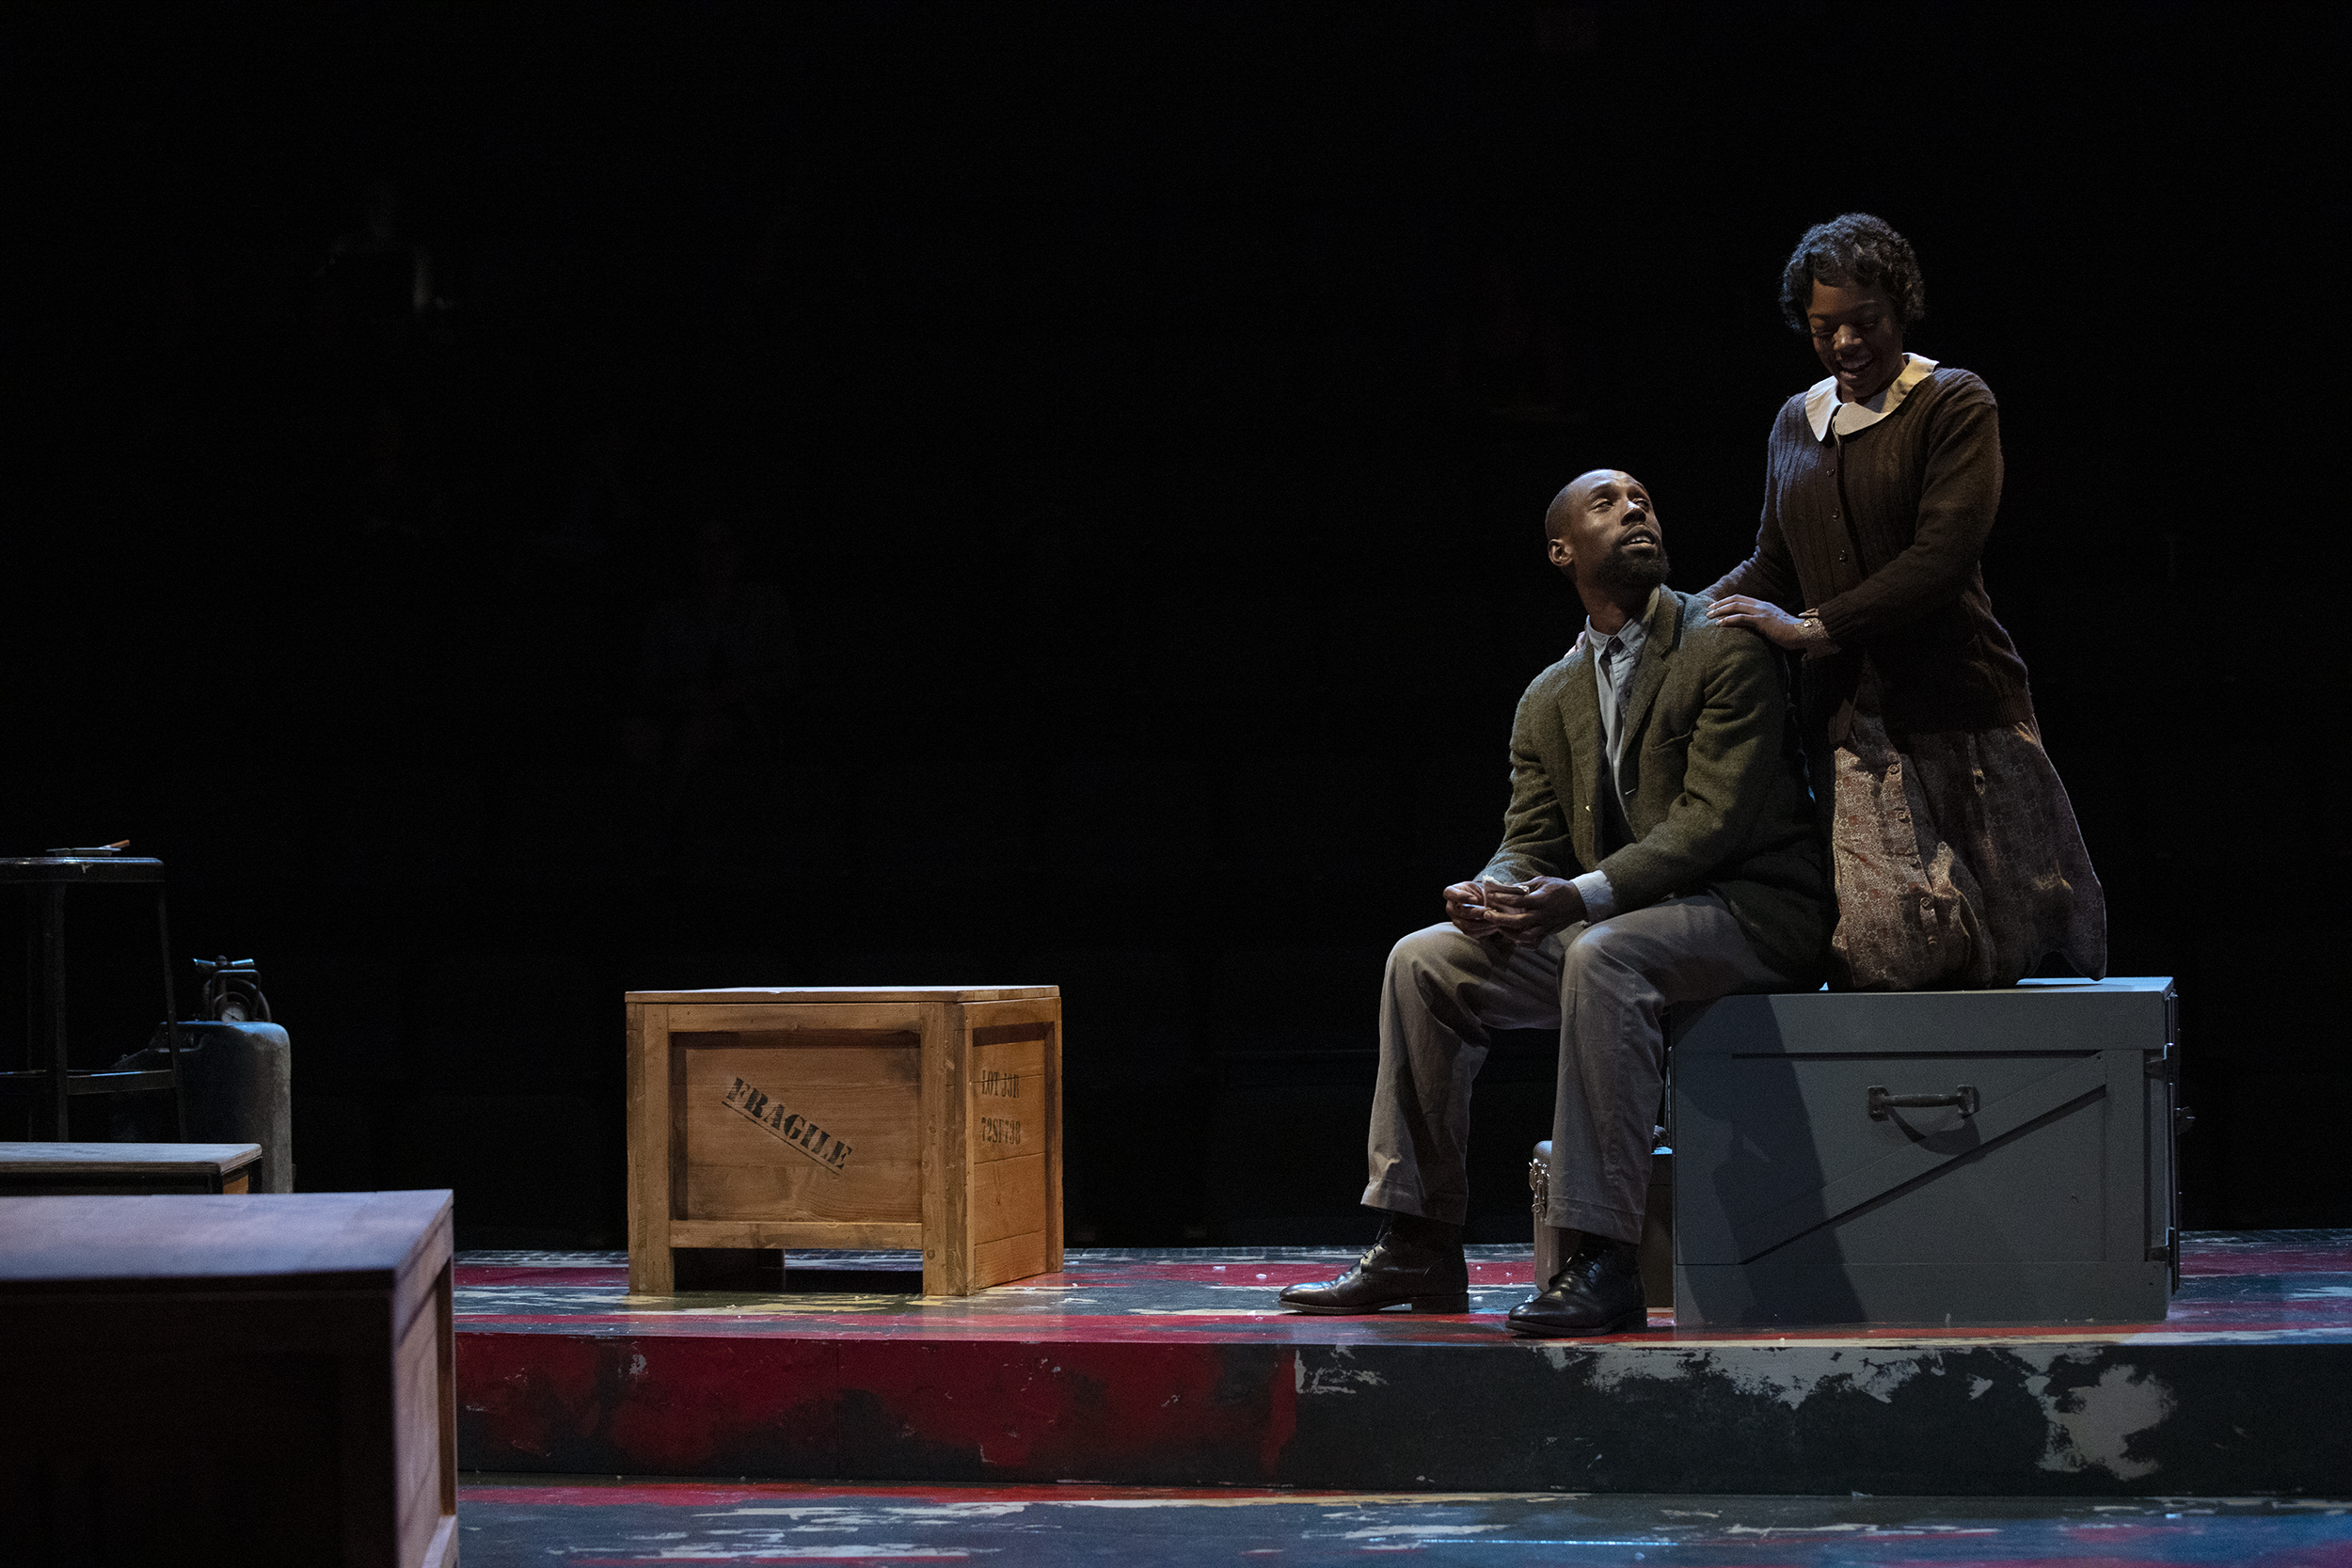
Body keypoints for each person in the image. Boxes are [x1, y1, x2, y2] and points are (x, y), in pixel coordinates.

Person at [1279, 469, 1832, 1337]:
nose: (1638, 509)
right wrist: (1491, 892)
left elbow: (1710, 824)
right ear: (1562, 550)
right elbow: (1529, 836)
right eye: (1608, 503)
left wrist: (1575, 897)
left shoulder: (1721, 645)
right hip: (1628, 918)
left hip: (1750, 911)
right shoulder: (1550, 695)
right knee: (1423, 959)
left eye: (1645, 498)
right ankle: (1419, 1237)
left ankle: (1600, 1255)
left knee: (1600, 953)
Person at [1704, 214, 2105, 990]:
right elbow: (1772, 564)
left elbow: (1942, 559)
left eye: (1864, 322)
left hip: (1958, 701)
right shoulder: (1797, 421)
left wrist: (1815, 627)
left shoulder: (1952, 403)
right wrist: (1679, 619)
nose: (1846, 343)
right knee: (1892, 942)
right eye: (1826, 329)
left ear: (1901, 309)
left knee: (2002, 930)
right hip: (1853, 720)